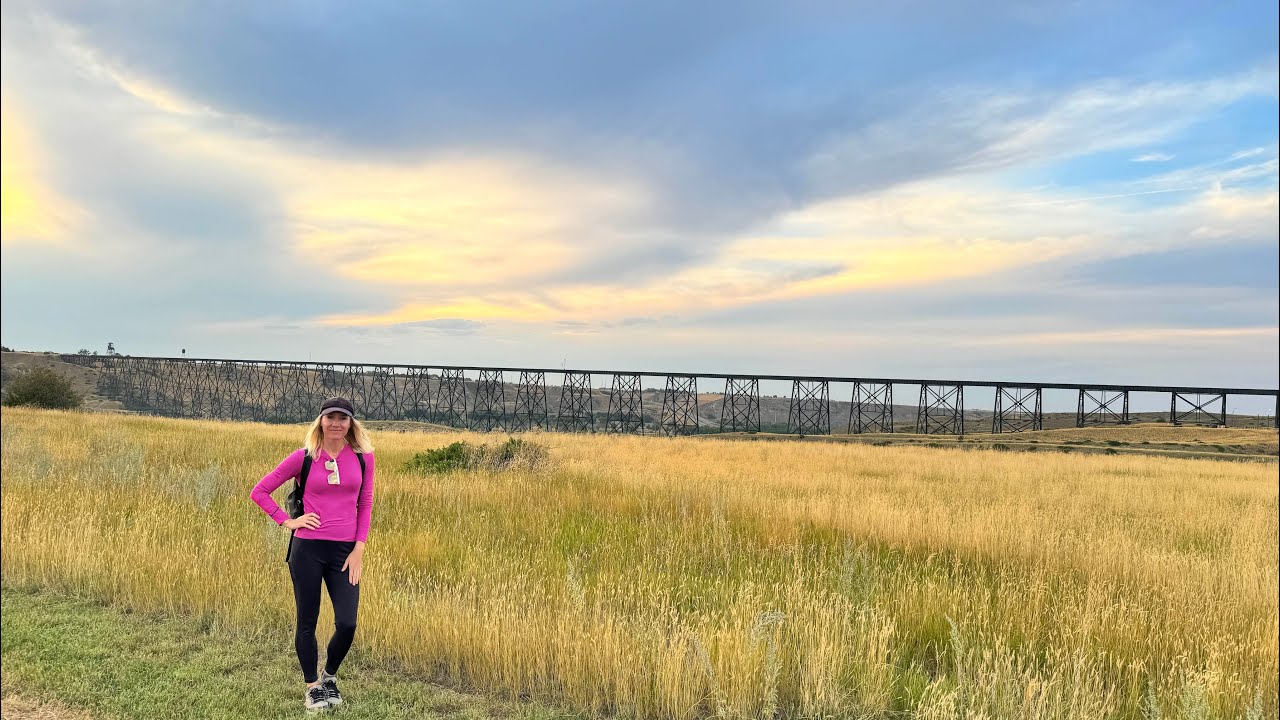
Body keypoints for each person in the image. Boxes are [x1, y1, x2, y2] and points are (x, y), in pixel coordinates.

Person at [250, 396, 376, 712]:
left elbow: (365, 502)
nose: (336, 423)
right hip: (307, 550)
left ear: (351, 424)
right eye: (330, 417)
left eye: (343, 418)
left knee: (347, 623)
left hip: (345, 552)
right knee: (307, 620)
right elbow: (259, 491)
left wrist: (359, 548)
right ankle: (312, 688)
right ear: (320, 421)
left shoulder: (363, 458)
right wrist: (288, 521)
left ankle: (329, 676)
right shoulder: (304, 457)